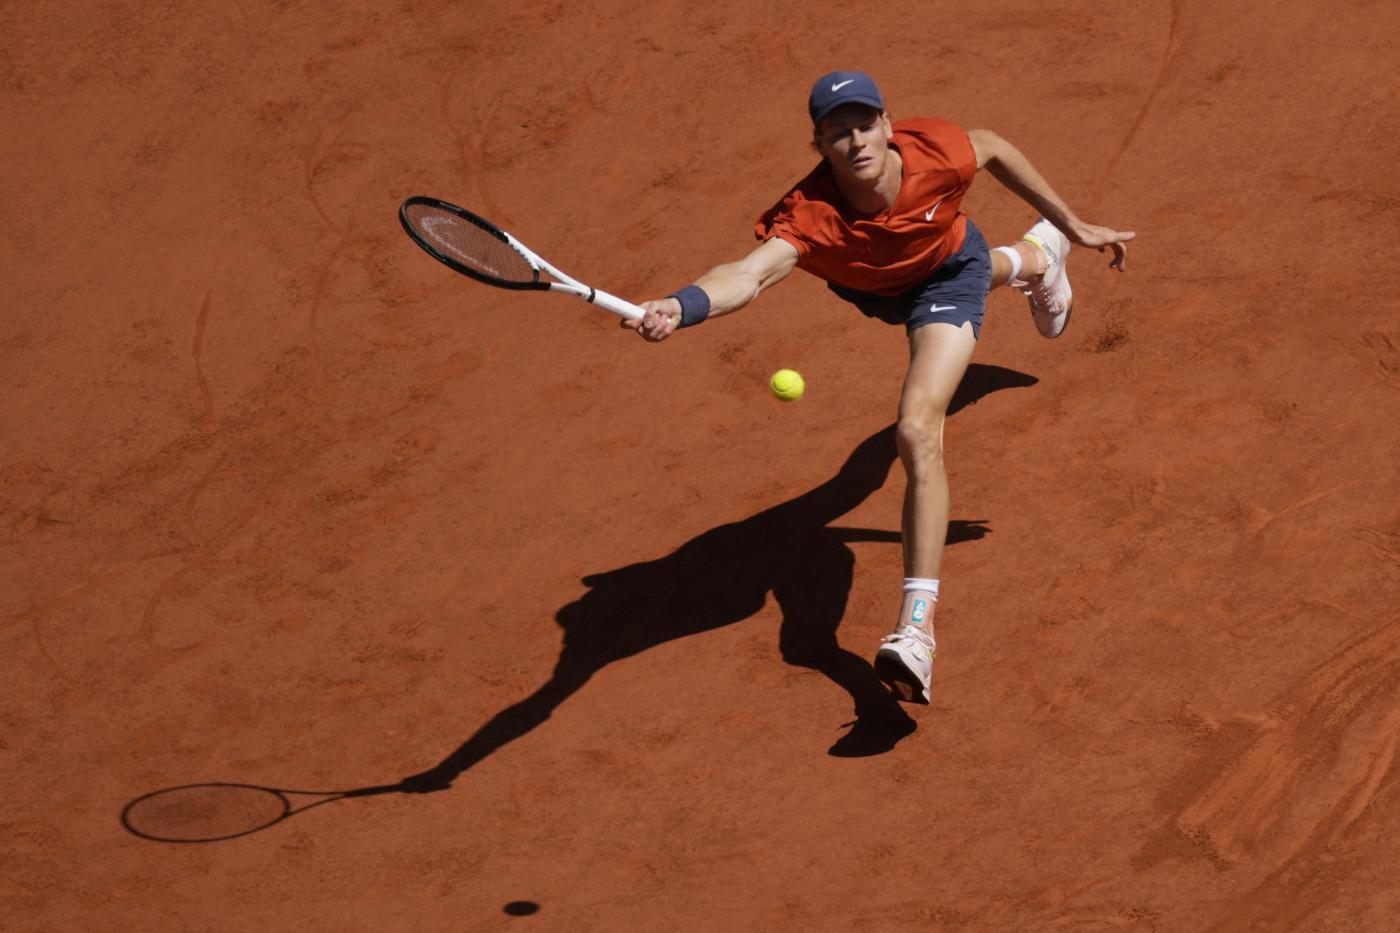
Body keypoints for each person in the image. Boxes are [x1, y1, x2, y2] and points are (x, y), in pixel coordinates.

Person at [623, 71, 1134, 706]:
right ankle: (1037, 258)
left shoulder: (936, 151)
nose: (857, 140)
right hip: (882, 290)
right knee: (854, 482)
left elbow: (995, 145)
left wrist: (1077, 222)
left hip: (947, 269)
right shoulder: (809, 216)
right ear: (820, 146)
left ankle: (915, 633)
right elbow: (748, 276)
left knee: (917, 428)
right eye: (839, 133)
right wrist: (682, 304)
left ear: (888, 125)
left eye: (866, 125)